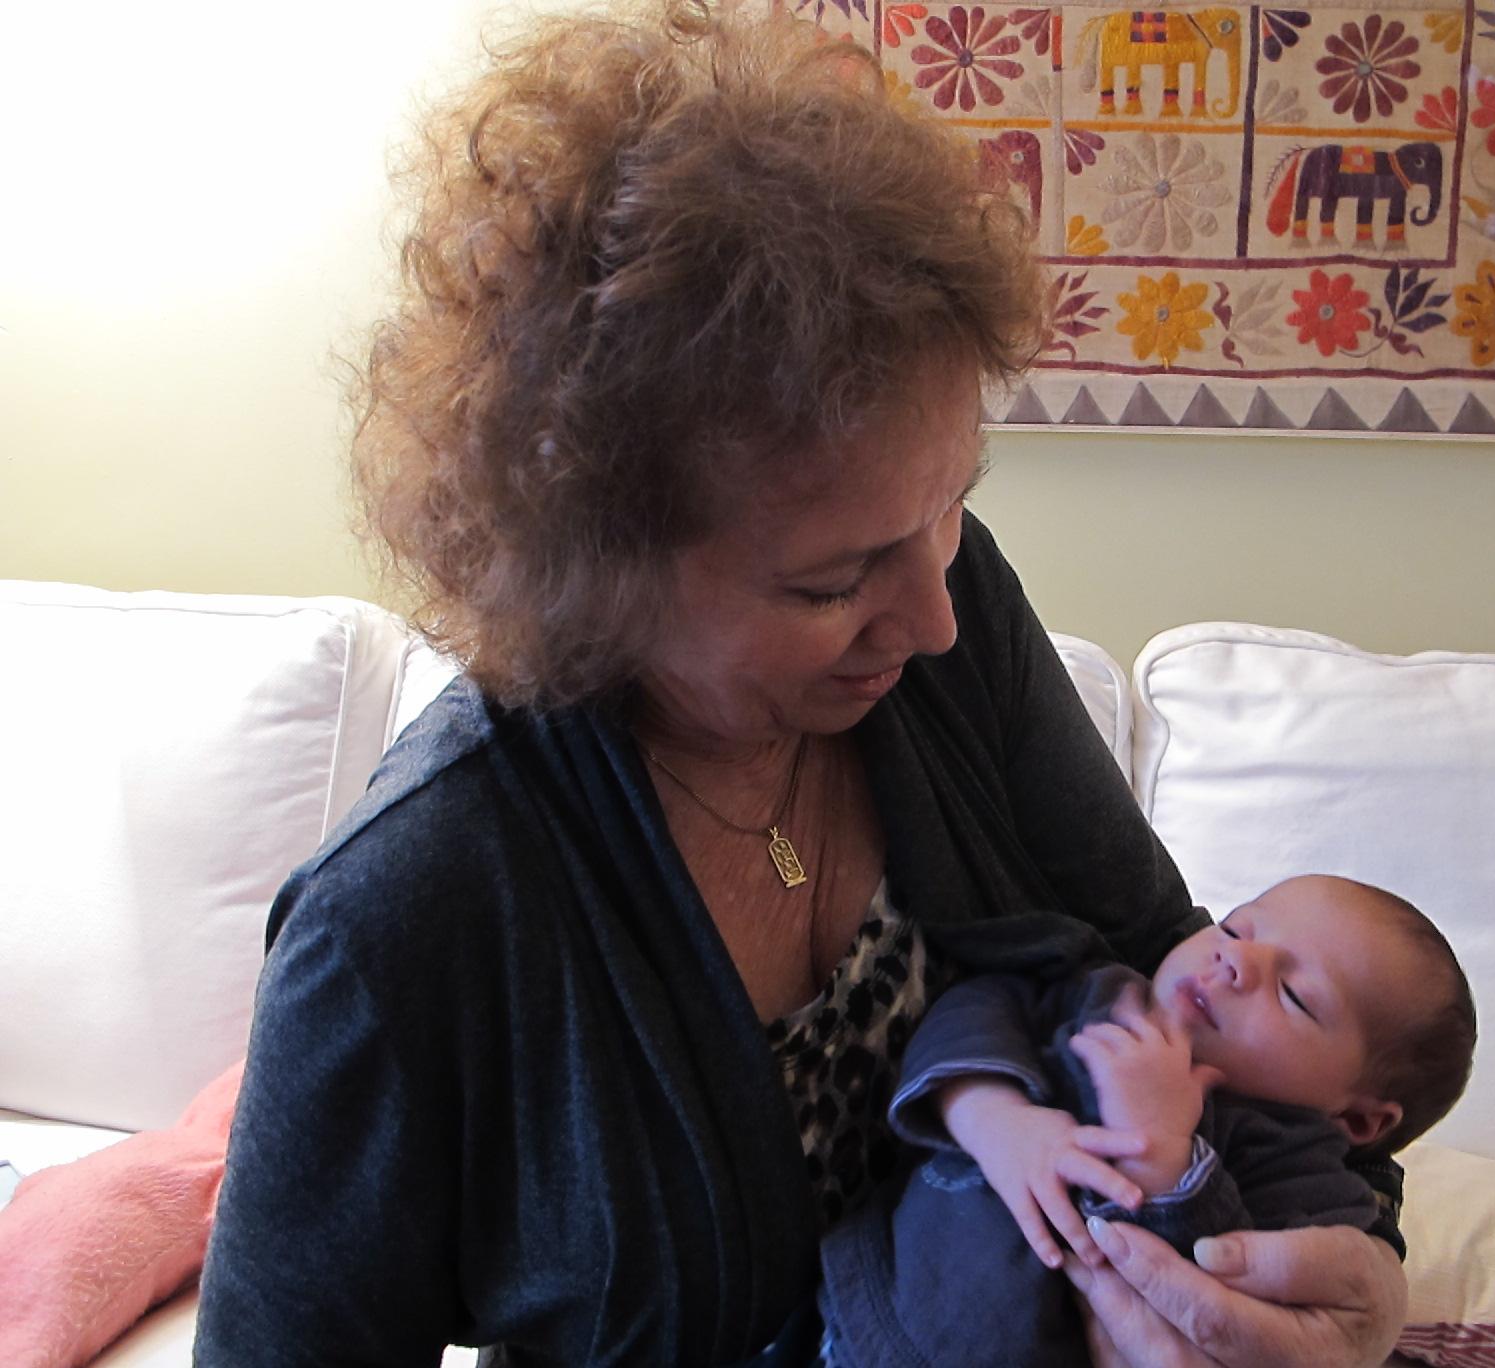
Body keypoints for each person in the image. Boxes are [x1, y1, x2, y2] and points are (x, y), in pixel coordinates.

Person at [194, 3, 1412, 1364]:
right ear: (599, 576)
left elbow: (1178, 987)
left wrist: (1345, 1275)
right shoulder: (401, 918)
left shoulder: (955, 623)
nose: (934, 621)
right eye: (832, 583)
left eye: (951, 505)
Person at [817, 875, 1477, 1367]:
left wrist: (1165, 1159)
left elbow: (1238, 1321)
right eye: (1237, 929)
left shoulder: (1304, 1176)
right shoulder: (1102, 992)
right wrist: (995, 1118)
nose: (1235, 960)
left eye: (1295, 995)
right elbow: (975, 1010)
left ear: (1358, 1120)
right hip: (863, 1309)